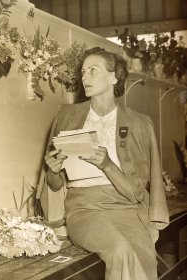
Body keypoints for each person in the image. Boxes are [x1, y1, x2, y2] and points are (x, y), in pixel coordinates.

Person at [37, 47, 169, 280]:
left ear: (113, 77)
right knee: (121, 249)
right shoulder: (66, 117)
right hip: (84, 210)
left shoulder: (139, 123)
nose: (84, 76)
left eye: (93, 70)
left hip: (127, 210)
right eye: (83, 71)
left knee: (142, 254)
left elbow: (135, 193)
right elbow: (55, 185)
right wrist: (53, 170)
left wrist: (107, 164)